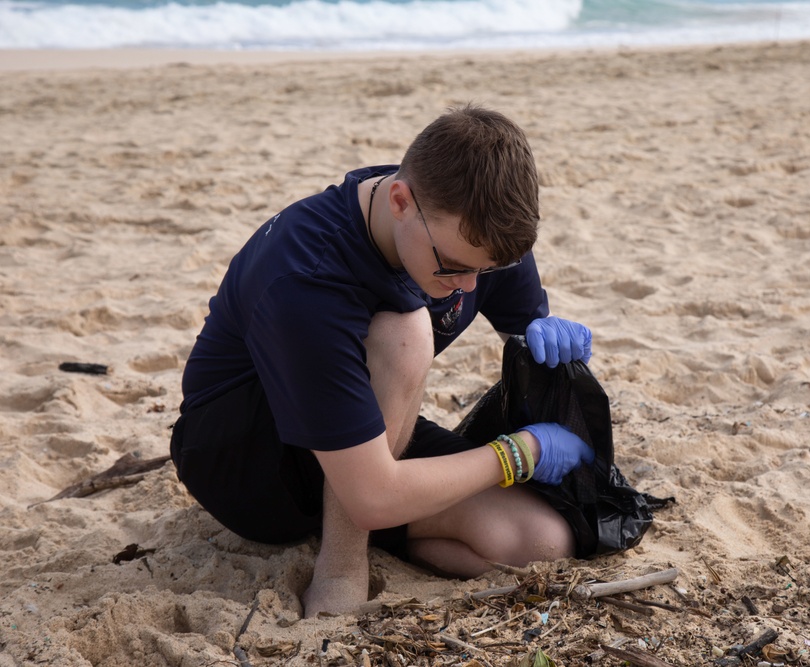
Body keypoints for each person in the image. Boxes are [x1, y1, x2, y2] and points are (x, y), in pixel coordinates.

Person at [169, 104, 595, 617]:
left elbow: (519, 326)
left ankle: (386, 516)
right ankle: (342, 568)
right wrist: (519, 453)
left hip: (362, 439)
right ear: (399, 201)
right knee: (404, 332)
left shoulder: (474, 234)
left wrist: (542, 338)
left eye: (489, 269)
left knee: (540, 541)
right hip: (246, 460)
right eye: (455, 269)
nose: (468, 286)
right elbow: (371, 497)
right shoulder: (306, 280)